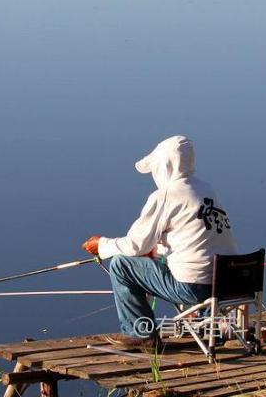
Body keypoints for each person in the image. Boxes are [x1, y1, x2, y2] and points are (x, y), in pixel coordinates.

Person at [81, 135, 237, 349]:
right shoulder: (206, 190)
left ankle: (140, 333)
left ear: (164, 166)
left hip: (194, 288)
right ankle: (209, 328)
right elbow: (192, 239)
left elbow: (136, 245)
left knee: (120, 265)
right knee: (186, 263)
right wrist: (153, 251)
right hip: (227, 285)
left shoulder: (166, 195)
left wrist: (102, 245)